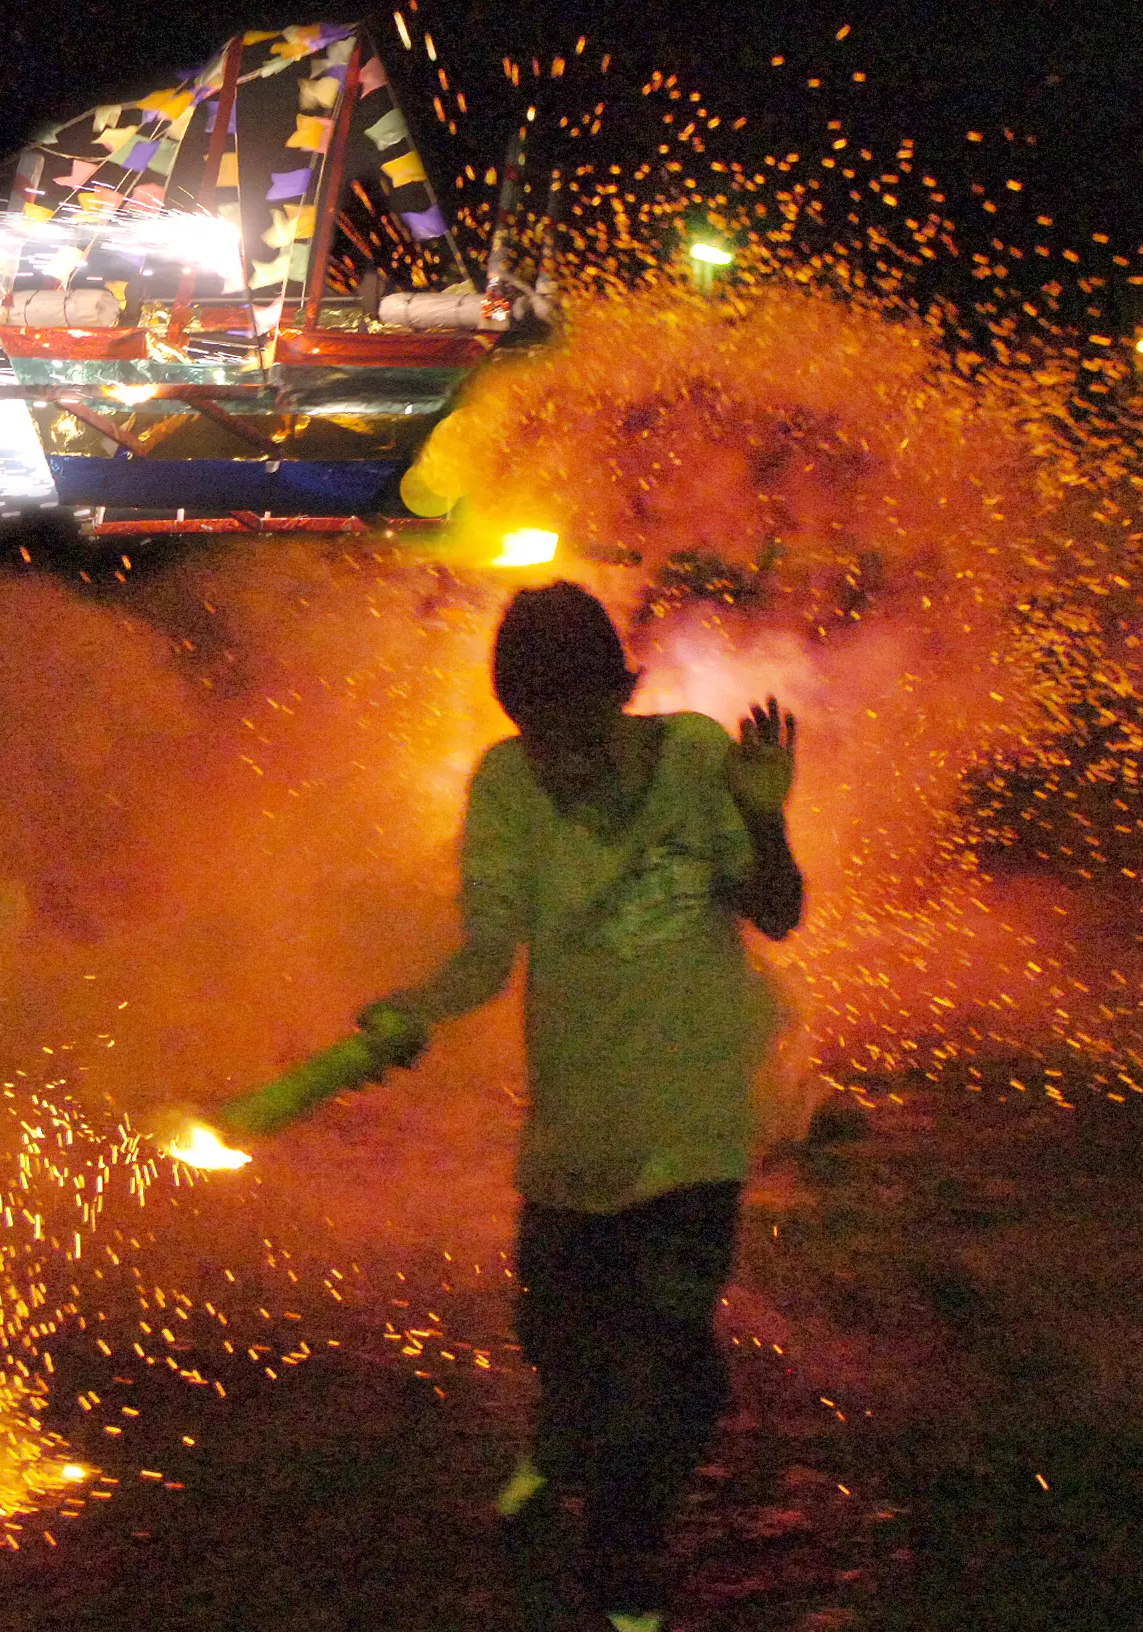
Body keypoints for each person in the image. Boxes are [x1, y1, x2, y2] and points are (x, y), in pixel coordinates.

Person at [357, 581, 804, 1632]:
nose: (564, 755)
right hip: (570, 1145)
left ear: (619, 690)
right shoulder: (506, 786)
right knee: (561, 1347)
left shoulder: (697, 760)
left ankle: (625, 1580)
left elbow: (777, 912)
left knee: (650, 1377)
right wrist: (408, 1011)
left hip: (691, 1140)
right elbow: (483, 958)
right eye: (539, 730)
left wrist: (764, 815)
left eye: (578, 724)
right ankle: (562, 1450)